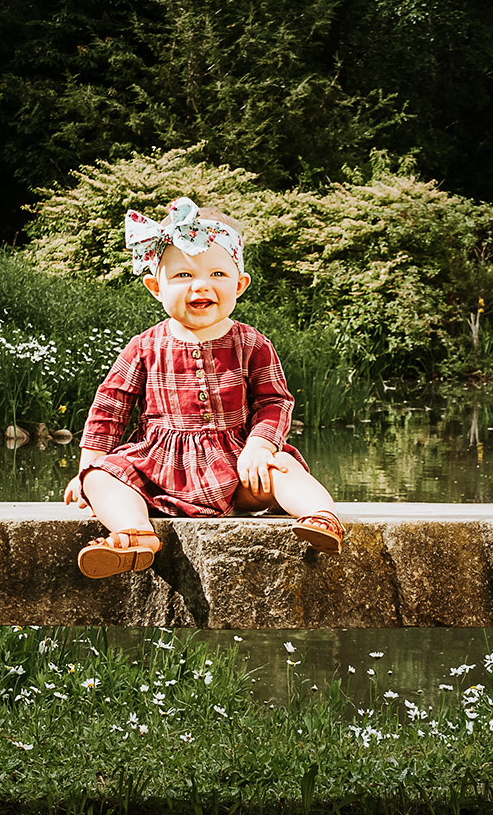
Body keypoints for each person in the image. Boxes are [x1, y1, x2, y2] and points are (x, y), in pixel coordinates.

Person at [62, 197, 344, 578]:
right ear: (154, 287)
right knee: (99, 476)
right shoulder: (144, 346)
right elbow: (110, 408)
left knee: (282, 466)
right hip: (157, 467)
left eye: (217, 275)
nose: (201, 286)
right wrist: (87, 466)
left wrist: (259, 448)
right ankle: (136, 534)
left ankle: (321, 517)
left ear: (240, 284)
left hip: (237, 467)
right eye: (183, 276)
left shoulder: (251, 343)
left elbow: (274, 402)